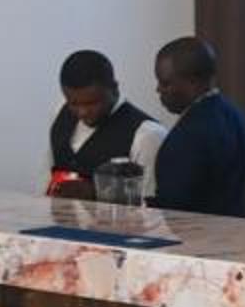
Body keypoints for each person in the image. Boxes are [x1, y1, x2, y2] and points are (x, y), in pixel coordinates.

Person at [150, 35, 245, 217]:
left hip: (194, 231)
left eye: (165, 83)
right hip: (235, 226)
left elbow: (174, 205)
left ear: (193, 82)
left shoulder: (190, 134)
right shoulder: (236, 115)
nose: (158, 89)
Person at [45, 49, 164, 199]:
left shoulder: (147, 134)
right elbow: (46, 176)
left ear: (114, 88)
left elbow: (150, 203)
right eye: (73, 103)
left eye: (92, 103)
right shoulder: (60, 112)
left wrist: (97, 194)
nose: (82, 112)